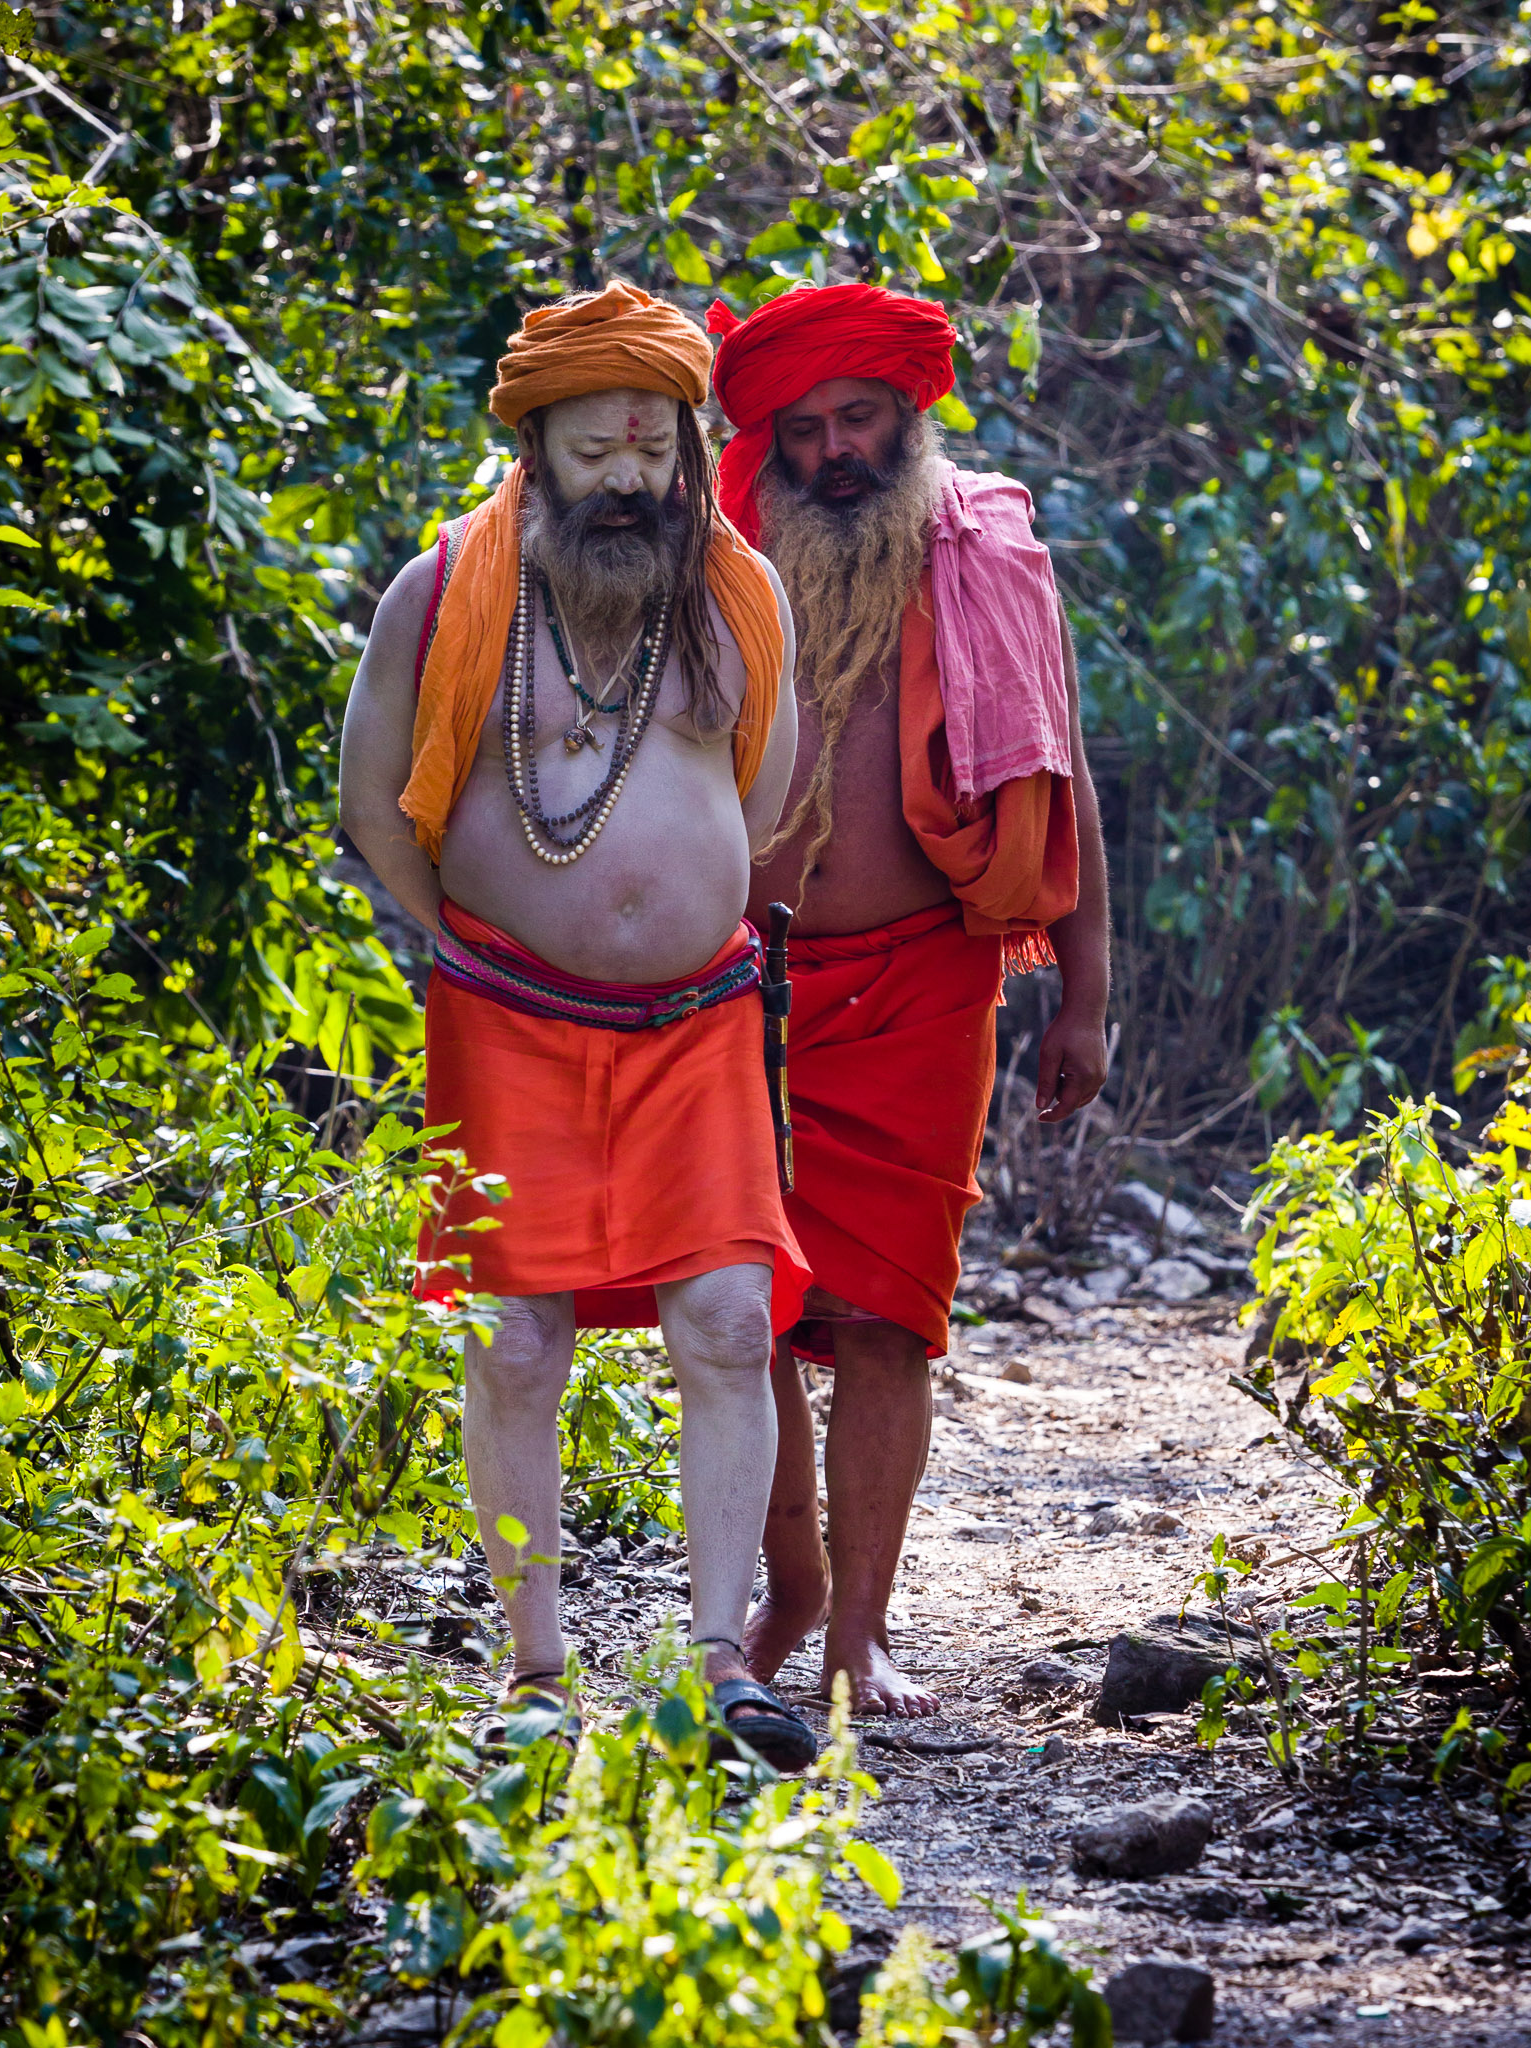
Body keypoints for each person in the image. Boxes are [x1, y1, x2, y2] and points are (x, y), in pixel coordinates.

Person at [339, 281, 818, 1769]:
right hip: (507, 1020)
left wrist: (665, 909)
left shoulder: (738, 591)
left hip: (698, 1022)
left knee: (732, 1325)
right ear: (533, 447)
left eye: (652, 450)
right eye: (595, 449)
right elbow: (375, 806)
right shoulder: (444, 590)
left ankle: (714, 1665)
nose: (628, 480)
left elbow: (765, 797)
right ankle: (533, 1668)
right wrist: (462, 949)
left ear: (687, 451)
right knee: (516, 1340)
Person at [706, 281, 1112, 1717]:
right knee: (736, 1312)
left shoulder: (988, 548)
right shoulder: (716, 551)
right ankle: (788, 1585)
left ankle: (858, 1631)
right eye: (802, 426)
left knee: (887, 1322)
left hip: (927, 985)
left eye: (857, 417)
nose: (831, 449)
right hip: (731, 988)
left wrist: (1084, 993)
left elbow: (1059, 774)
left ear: (910, 414)